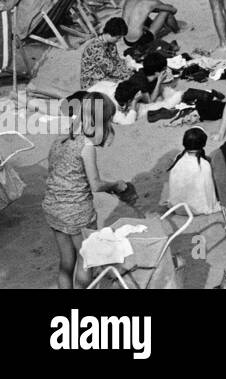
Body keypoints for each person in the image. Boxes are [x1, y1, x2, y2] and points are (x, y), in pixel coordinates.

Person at [43, 92, 137, 288]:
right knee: (86, 260)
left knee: (66, 262)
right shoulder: (86, 146)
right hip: (77, 211)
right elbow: (95, 184)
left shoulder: (60, 140)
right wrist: (116, 185)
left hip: (53, 208)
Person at [163, 127, 219, 215]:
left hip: (178, 208)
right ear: (203, 143)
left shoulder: (178, 158)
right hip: (197, 209)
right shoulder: (204, 165)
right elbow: (209, 191)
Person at [80, 18, 133, 88]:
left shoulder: (111, 43)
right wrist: (129, 74)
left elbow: (117, 60)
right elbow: (110, 69)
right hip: (92, 80)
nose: (119, 40)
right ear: (110, 34)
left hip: (105, 73)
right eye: (118, 37)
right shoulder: (96, 48)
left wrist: (128, 70)